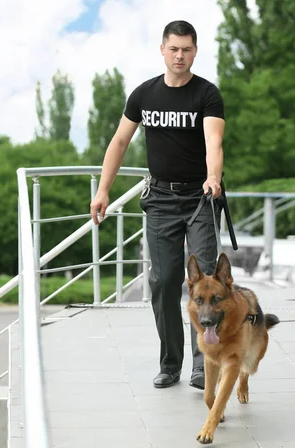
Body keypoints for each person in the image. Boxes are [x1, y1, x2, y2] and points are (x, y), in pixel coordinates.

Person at [90, 19, 225, 389]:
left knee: (207, 283)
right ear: (162, 50)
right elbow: (118, 143)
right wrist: (103, 190)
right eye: (174, 49)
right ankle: (170, 363)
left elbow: (214, 141)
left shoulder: (207, 95)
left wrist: (213, 176)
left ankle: (204, 363)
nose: (180, 55)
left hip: (200, 198)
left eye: (186, 49)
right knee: (164, 282)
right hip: (162, 200)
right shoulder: (144, 95)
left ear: (195, 51)